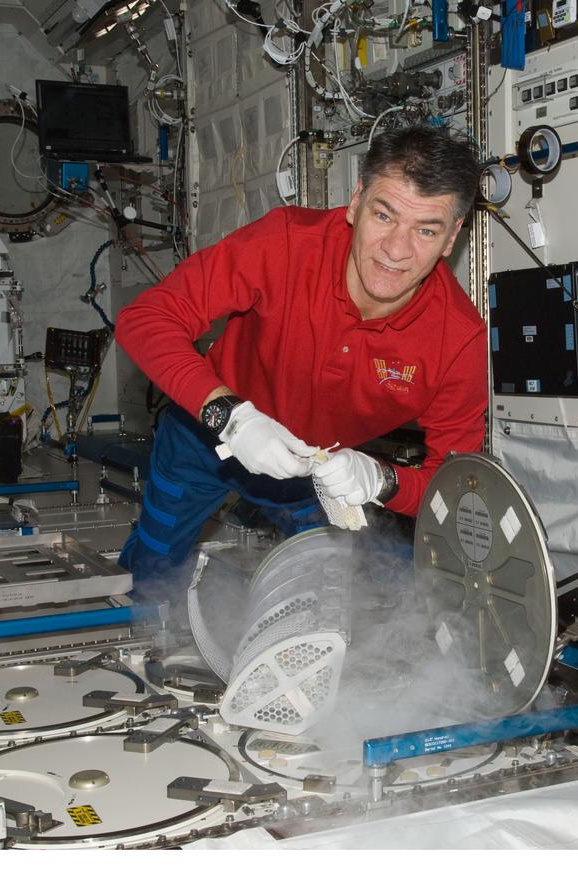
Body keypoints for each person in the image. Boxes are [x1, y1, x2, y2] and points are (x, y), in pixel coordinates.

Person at [114, 123, 487, 583]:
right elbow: (146, 319)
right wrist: (231, 418)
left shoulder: (458, 340)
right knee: (153, 567)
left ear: (452, 239)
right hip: (203, 437)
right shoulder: (286, 244)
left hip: (312, 472)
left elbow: (453, 486)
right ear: (355, 203)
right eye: (384, 216)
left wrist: (381, 480)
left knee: (331, 594)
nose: (395, 250)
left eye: (426, 231)